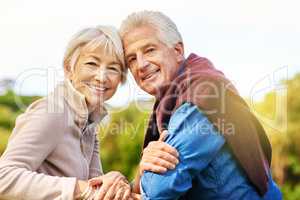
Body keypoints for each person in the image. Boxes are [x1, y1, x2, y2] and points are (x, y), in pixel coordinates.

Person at [120, 10, 282, 199]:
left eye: (149, 50)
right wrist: (138, 175)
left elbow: (159, 189)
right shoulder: (175, 98)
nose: (141, 64)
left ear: (178, 51)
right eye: (131, 58)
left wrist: (136, 183)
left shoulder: (202, 98)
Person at [0, 25, 132, 200]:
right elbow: (3, 178)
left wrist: (116, 183)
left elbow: (95, 190)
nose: (102, 77)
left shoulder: (89, 123)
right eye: (92, 63)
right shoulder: (52, 112)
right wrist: (80, 187)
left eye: (113, 68)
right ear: (69, 68)